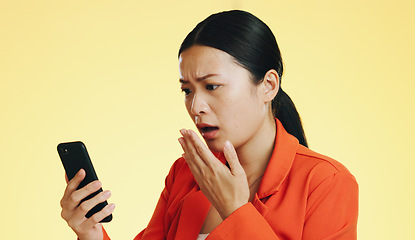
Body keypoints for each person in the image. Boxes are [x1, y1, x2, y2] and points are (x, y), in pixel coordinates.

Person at [60, 10, 358, 240]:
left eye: (212, 87)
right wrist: (91, 233)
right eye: (187, 90)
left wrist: (236, 212)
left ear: (268, 85)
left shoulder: (325, 183)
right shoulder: (185, 174)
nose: (195, 106)